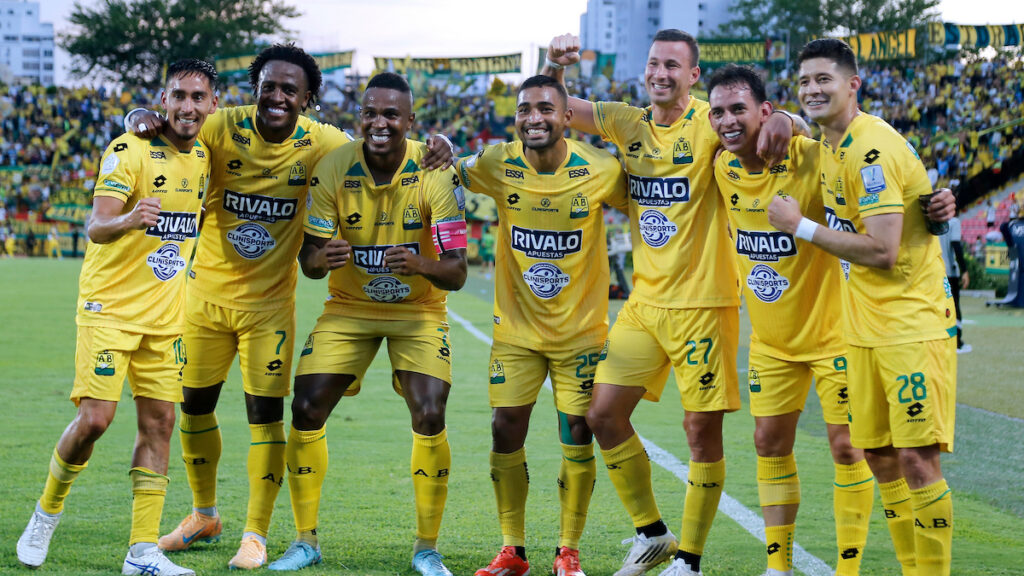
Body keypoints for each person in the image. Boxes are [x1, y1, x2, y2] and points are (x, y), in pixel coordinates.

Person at [126, 45, 452, 570]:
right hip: (203, 297)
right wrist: (139, 115)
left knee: (266, 415)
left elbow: (384, 145)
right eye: (268, 86)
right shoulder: (219, 126)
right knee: (193, 406)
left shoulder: (326, 144)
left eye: (289, 90)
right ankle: (204, 514)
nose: (277, 97)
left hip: (270, 306)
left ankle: (255, 534)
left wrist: (441, 144)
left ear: (308, 99)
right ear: (255, 88)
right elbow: (169, 125)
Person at [543, 30, 801, 576]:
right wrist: (555, 66)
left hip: (705, 306)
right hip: (643, 304)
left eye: (672, 66)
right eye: (654, 63)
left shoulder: (710, 123)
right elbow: (558, 111)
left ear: (693, 76)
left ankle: (690, 560)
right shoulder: (626, 121)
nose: (660, 73)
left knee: (699, 433)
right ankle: (652, 533)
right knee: (602, 414)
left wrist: (789, 120)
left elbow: (762, 123)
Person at [15, 58, 218, 576]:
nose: (188, 106)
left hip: (165, 320)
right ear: (165, 99)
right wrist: (131, 218)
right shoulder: (127, 149)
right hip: (109, 310)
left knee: (160, 424)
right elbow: (96, 226)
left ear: (213, 104)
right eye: (178, 96)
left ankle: (142, 551)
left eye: (199, 97)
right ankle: (46, 512)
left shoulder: (207, 156)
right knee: (94, 421)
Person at [768, 38, 957, 576]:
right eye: (804, 82)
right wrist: (786, 113)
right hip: (864, 328)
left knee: (918, 459)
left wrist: (799, 227)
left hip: (910, 325)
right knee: (878, 455)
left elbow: (882, 250)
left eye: (824, 79)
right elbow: (796, 122)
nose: (812, 90)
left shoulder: (871, 147)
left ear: (855, 84)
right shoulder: (831, 142)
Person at [268, 72, 467, 575]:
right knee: (307, 406)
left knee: (429, 411)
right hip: (348, 307)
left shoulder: (436, 170)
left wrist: (420, 264)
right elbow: (309, 261)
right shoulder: (333, 166)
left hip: (419, 312)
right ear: (360, 116)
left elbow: (457, 272)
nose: (379, 123)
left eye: (391, 115)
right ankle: (305, 541)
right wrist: (321, 258)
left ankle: (427, 548)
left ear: (409, 121)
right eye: (370, 113)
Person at [456, 75, 628, 576]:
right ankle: (513, 549)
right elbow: (445, 167)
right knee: (505, 428)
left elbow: (649, 203)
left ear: (566, 116)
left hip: (581, 335)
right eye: (525, 109)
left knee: (576, 431)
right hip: (515, 331)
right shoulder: (495, 161)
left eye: (546, 109)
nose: (534, 118)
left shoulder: (600, 169)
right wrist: (441, 146)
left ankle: (567, 550)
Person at [707, 64, 874, 576]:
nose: (728, 121)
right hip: (772, 342)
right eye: (718, 111)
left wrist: (792, 119)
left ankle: (848, 570)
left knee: (848, 447)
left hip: (834, 334)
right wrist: (783, 116)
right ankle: (777, 567)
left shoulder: (811, 155)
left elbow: (854, 142)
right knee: (768, 443)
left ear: (763, 110)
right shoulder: (721, 168)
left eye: (740, 109)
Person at [940, 210, 971, 353]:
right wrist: (964, 270)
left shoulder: (934, 222)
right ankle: (957, 342)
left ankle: (941, 341)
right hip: (950, 272)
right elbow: (956, 247)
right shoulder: (954, 222)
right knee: (954, 306)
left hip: (935, 272)